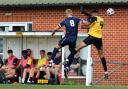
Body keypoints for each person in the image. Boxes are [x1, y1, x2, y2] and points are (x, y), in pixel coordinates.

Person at [71, 7, 108, 79]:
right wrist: (82, 25)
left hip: (92, 38)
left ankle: (68, 61)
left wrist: (82, 21)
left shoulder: (94, 18)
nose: (92, 15)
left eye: (92, 14)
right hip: (99, 39)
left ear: (94, 13)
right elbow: (88, 27)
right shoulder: (101, 20)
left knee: (78, 47)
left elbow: (87, 23)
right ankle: (106, 72)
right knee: (101, 55)